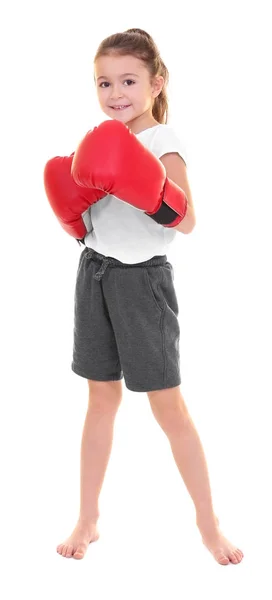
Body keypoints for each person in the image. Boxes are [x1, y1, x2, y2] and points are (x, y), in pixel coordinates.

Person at [44, 28, 244, 565]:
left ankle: (209, 524)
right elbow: (92, 221)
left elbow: (189, 220)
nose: (115, 94)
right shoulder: (99, 141)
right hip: (94, 275)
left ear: (156, 84)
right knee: (100, 400)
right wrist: (75, 214)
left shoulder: (162, 141)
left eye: (128, 81)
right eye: (104, 82)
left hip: (142, 285)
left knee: (168, 406)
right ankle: (88, 518)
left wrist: (142, 184)